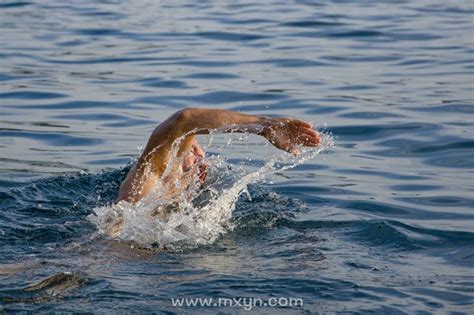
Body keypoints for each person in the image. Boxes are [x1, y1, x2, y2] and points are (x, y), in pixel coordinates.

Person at [116, 107, 321, 203]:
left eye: (190, 150)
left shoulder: (145, 194)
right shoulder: (145, 186)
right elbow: (185, 120)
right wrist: (264, 125)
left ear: (199, 175)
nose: (193, 149)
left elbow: (184, 123)